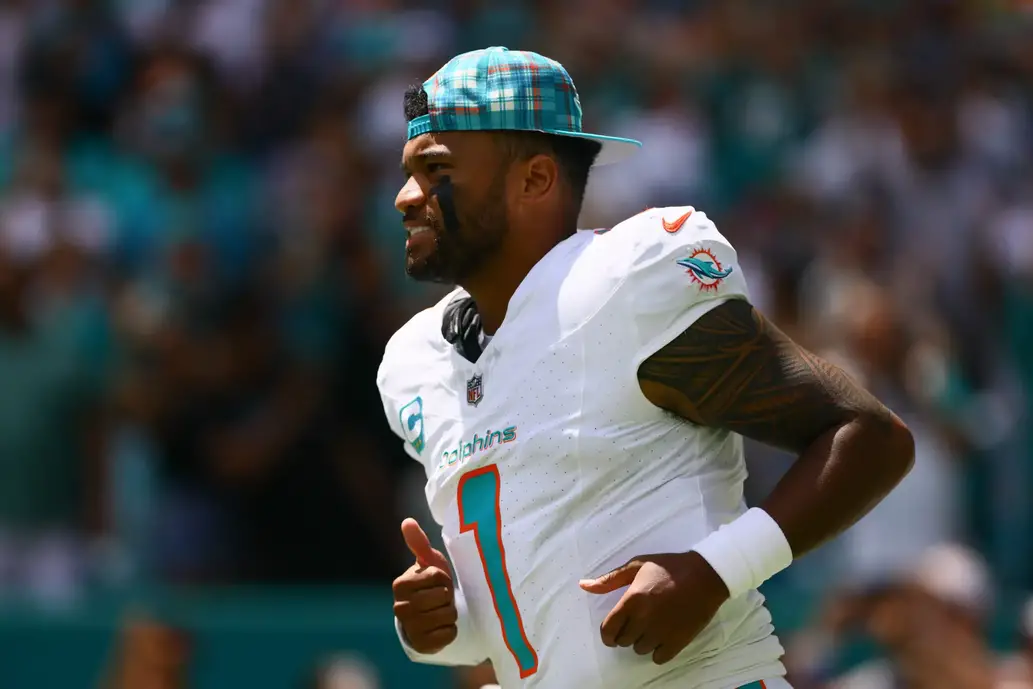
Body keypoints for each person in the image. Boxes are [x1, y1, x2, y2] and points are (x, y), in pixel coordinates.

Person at [377, 46, 915, 689]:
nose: (407, 197)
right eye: (408, 170)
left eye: (436, 169)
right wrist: (447, 624)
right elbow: (541, 598)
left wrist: (717, 571)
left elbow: (870, 437)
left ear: (535, 179)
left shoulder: (626, 282)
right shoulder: (415, 362)